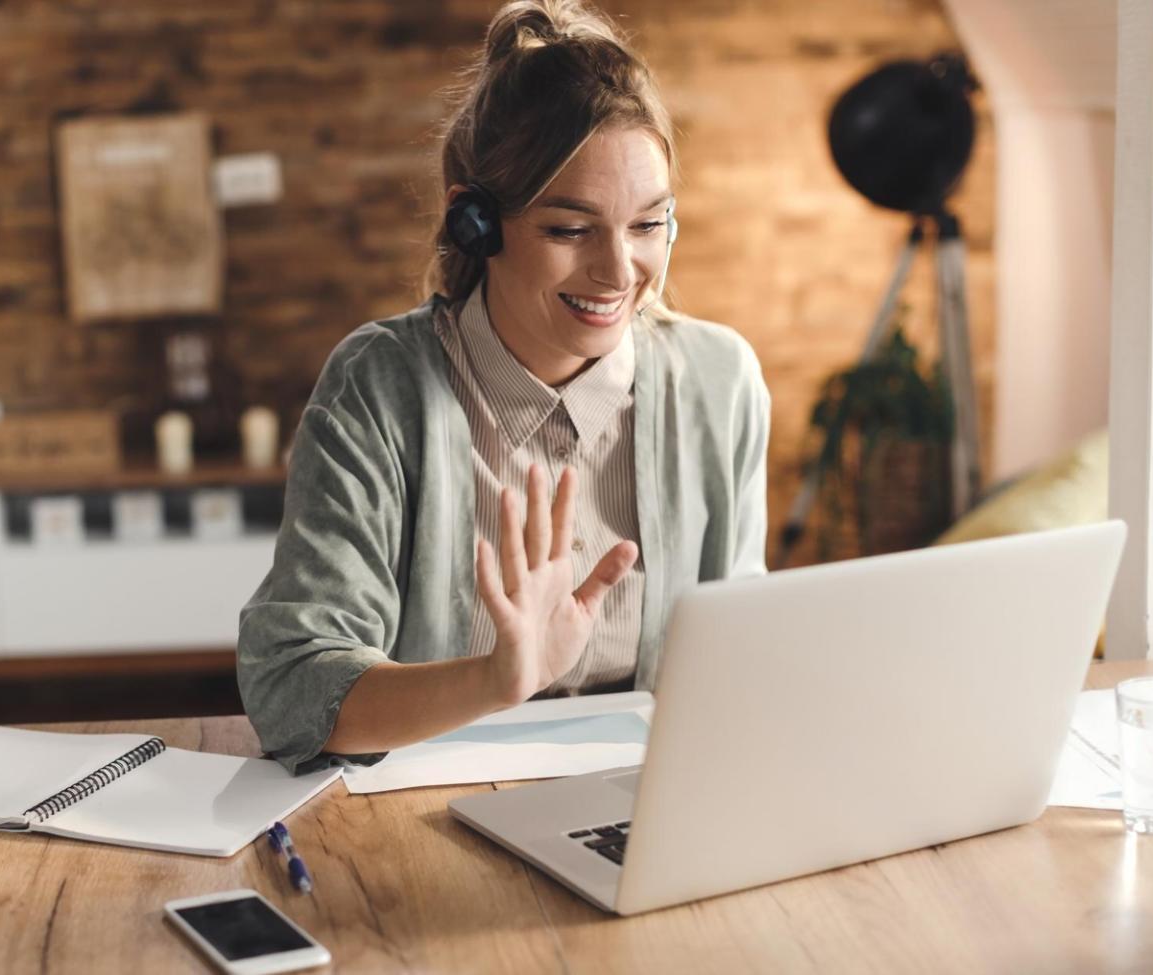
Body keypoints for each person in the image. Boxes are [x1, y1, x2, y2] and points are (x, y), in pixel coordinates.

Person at [238, 0, 769, 774]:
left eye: (648, 224)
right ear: (475, 224)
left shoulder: (720, 381)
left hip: (650, 806)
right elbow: (290, 693)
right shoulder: (380, 388)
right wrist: (493, 681)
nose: (619, 273)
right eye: (568, 228)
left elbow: (740, 654)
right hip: (423, 818)